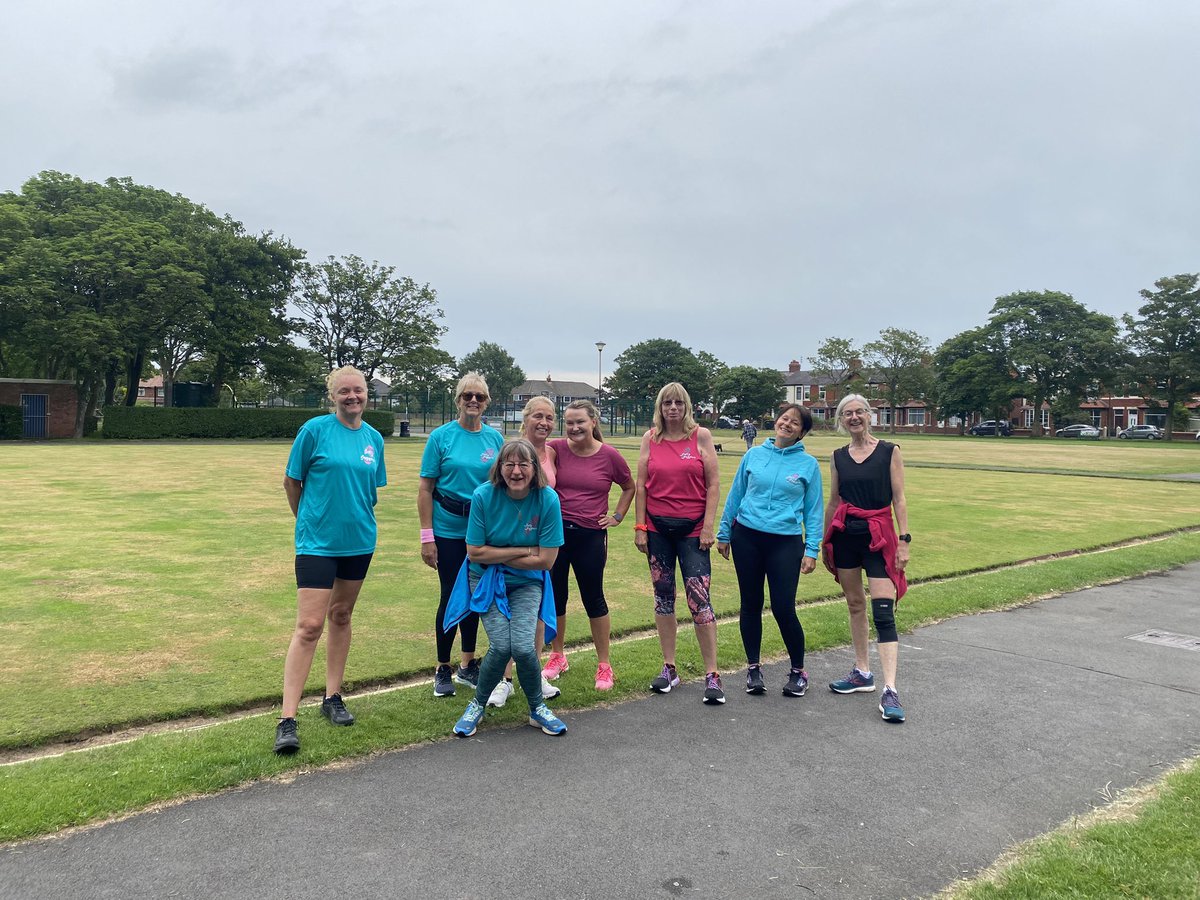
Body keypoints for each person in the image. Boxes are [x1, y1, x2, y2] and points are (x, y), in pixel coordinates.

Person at [274, 366, 387, 754]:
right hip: (317, 544)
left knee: (341, 616)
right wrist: (307, 520)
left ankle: (332, 697)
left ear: (366, 395)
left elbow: (370, 491)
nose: (352, 397)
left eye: (358, 391)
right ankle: (287, 719)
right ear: (332, 396)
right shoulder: (314, 431)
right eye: (344, 391)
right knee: (308, 626)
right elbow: (292, 482)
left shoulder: (374, 438)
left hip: (359, 541)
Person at [447, 439, 568, 738]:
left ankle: (537, 709)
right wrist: (525, 550)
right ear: (499, 468)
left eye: (523, 464)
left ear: (534, 468)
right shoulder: (483, 495)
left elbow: (547, 561)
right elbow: (475, 552)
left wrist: (500, 552)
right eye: (509, 464)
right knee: (502, 647)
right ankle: (477, 705)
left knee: (525, 648)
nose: (516, 471)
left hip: (527, 584)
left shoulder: (548, 499)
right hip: (485, 580)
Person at [717, 404, 823, 697]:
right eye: (784, 418)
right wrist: (724, 533)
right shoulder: (754, 455)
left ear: (802, 431)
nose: (787, 424)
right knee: (750, 604)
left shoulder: (808, 465)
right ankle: (753, 669)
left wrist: (812, 549)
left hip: (785, 542)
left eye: (795, 422)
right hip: (747, 538)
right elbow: (736, 494)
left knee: (783, 607)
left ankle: (798, 671)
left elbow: (814, 511)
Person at [821, 393, 910, 723]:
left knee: (883, 612)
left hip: (879, 536)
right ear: (841, 420)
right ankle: (862, 672)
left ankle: (890, 689)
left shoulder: (889, 451)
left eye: (859, 412)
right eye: (847, 413)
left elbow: (899, 500)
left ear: (870, 416)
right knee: (855, 604)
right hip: (845, 537)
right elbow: (832, 502)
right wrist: (823, 540)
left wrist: (904, 540)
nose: (854, 417)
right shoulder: (837, 456)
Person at [634, 382, 724, 703]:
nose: (673, 408)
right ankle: (670, 667)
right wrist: (640, 526)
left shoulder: (700, 436)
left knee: (699, 600)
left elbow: (713, 484)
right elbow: (642, 486)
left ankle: (712, 674)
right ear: (660, 407)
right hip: (658, 530)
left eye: (678, 402)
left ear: (687, 406)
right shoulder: (650, 439)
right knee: (663, 597)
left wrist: (708, 526)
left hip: (692, 530)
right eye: (667, 403)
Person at [538, 399, 635, 691]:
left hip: (591, 535)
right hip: (556, 536)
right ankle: (557, 656)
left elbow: (629, 486)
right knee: (556, 597)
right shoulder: (556, 448)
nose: (574, 427)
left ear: (593, 422)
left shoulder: (609, 455)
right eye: (569, 422)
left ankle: (604, 664)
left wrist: (617, 516)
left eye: (580, 421)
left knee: (594, 597)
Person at [418, 373, 504, 698]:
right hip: (447, 530)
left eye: (479, 397)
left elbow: (502, 487)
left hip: (481, 532)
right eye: (467, 395)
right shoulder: (441, 438)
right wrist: (427, 537)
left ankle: (467, 665)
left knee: (477, 596)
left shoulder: (494, 440)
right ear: (457, 399)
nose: (473, 401)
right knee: (450, 595)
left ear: (486, 402)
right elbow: (426, 489)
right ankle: (442, 667)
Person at [488, 397, 563, 708]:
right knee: (507, 614)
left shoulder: (555, 452)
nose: (543, 423)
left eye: (548, 417)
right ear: (526, 418)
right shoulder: (512, 450)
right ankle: (504, 680)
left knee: (536, 616)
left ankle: (533, 674)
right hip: (514, 544)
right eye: (537, 417)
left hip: (545, 541)